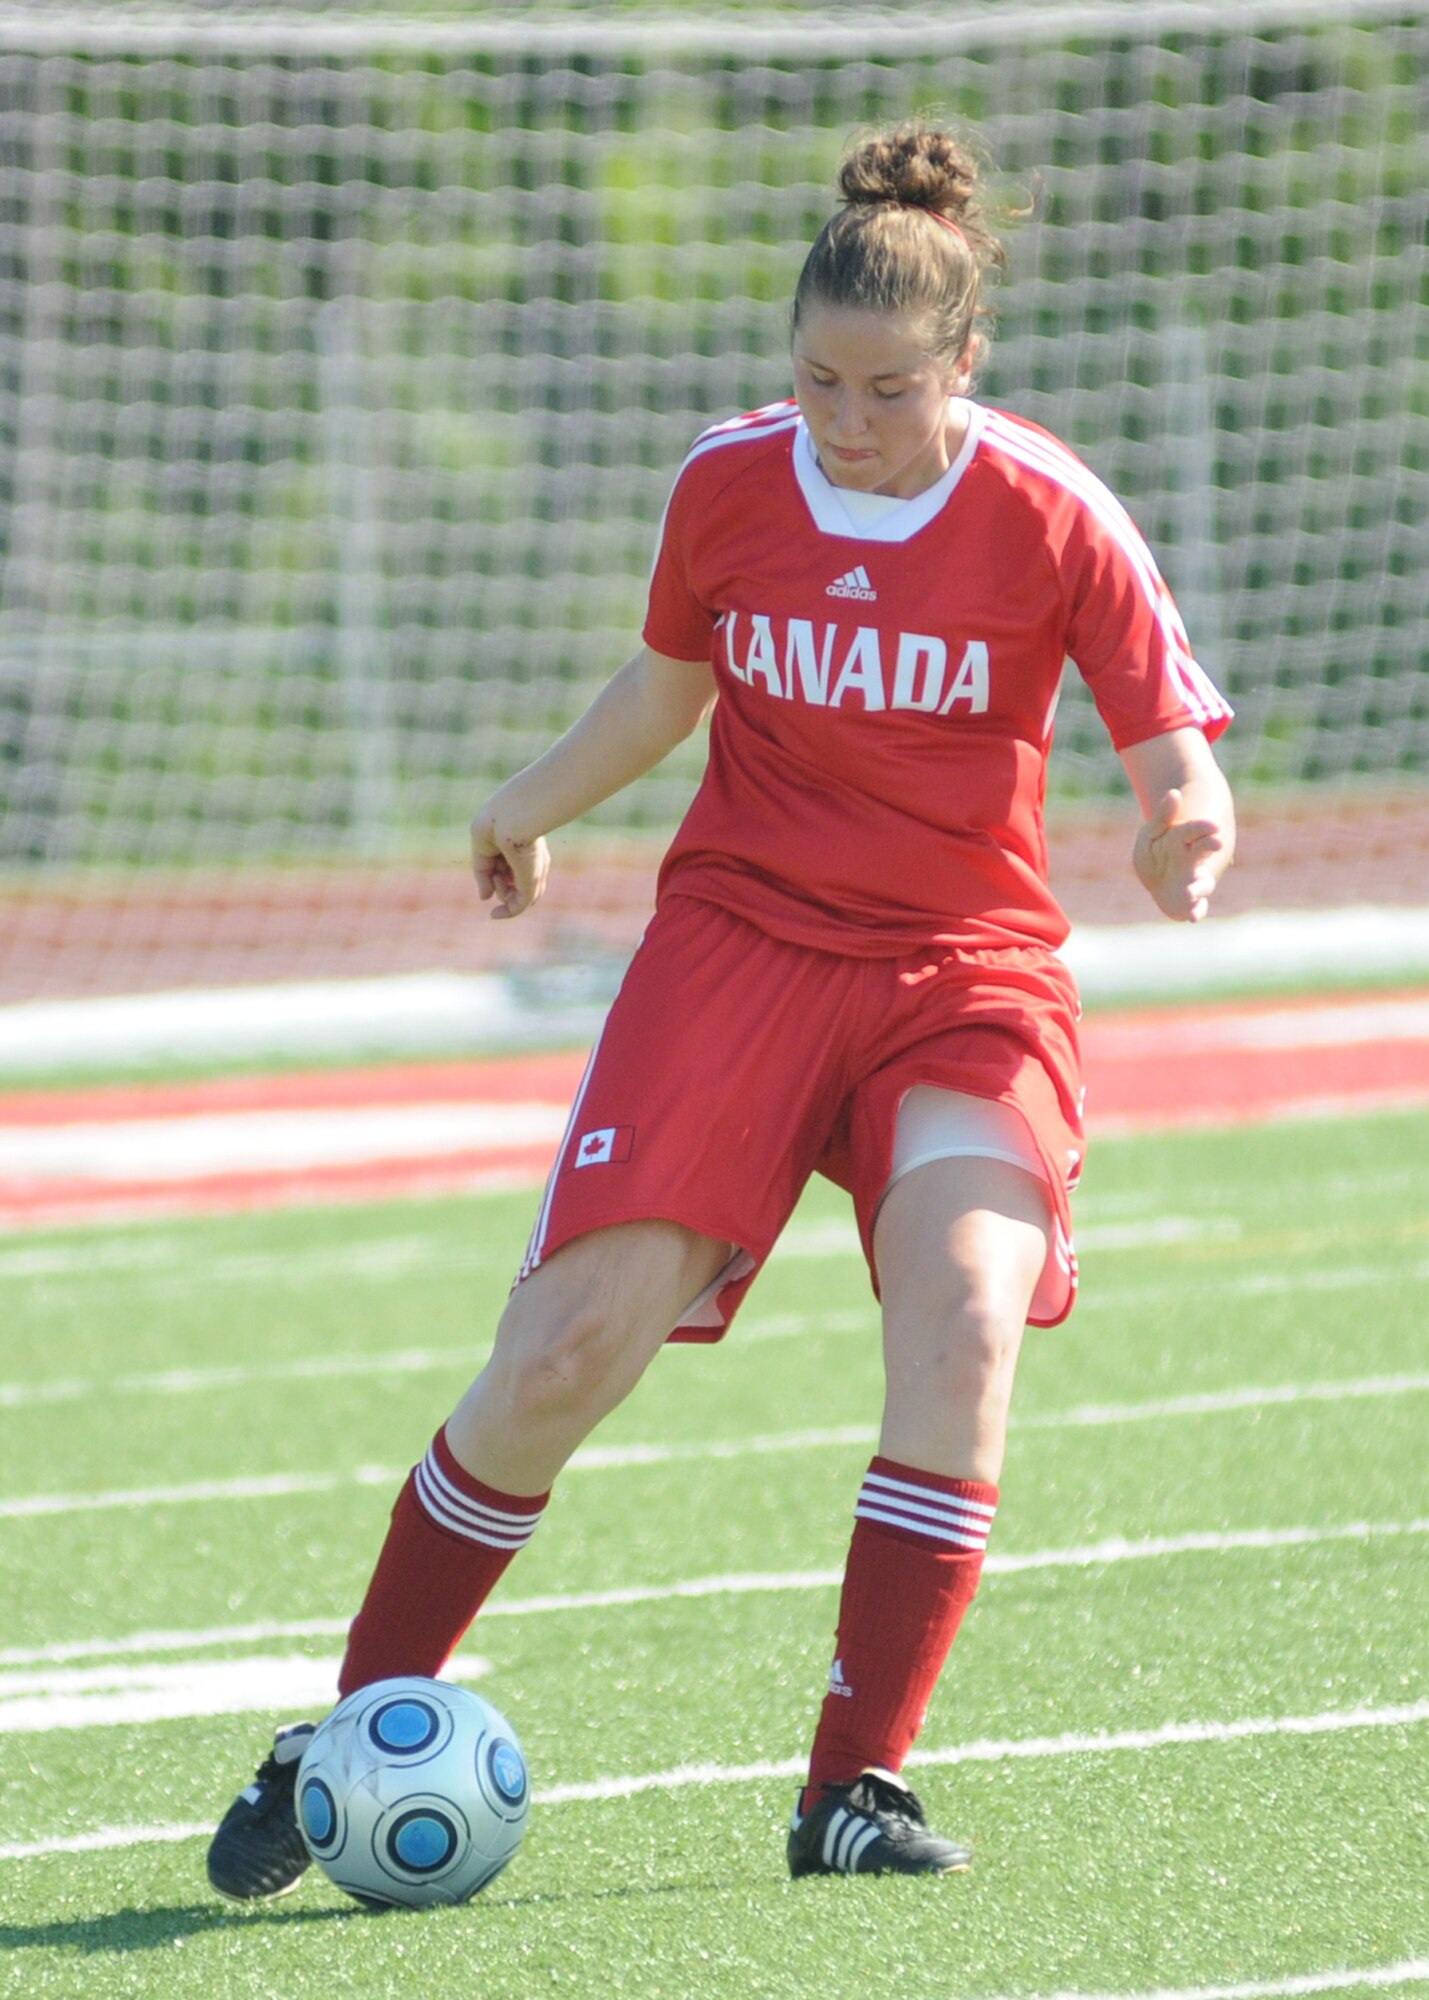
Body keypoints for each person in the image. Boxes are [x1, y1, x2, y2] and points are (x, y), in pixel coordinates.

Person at [207, 120, 1234, 1895]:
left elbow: (1169, 746)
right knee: (560, 1358)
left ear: (964, 362)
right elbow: (662, 684)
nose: (846, 419)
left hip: (959, 975)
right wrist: (523, 803)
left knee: (967, 1315)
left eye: (889, 388)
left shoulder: (1049, 508)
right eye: (818, 379)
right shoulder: (731, 483)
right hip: (742, 946)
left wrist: (1183, 823)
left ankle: (855, 1786)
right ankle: (354, 1722)